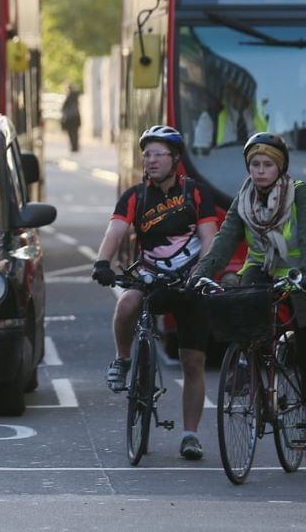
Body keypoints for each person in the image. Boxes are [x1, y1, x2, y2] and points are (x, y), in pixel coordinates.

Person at [91, 125, 218, 460]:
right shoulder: (135, 196)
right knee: (127, 303)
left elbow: (209, 238)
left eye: (158, 154)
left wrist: (202, 273)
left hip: (189, 282)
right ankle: (122, 359)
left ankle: (190, 435)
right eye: (146, 154)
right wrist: (102, 262)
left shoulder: (196, 193)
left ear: (175, 159)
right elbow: (115, 230)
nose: (150, 160)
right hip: (151, 277)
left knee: (193, 362)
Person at [189, 133, 306, 366]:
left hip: (297, 272)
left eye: (268, 165)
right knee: (242, 318)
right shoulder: (243, 199)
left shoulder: (299, 193)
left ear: (280, 167)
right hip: (259, 269)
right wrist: (201, 274)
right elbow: (225, 240)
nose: (260, 171)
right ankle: (244, 368)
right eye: (255, 164)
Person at [60, 85, 81, 153]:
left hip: (71, 119)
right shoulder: (74, 98)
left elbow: (63, 109)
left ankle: (74, 146)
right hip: (74, 119)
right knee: (74, 134)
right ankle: (74, 146)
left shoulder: (71, 97)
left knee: (73, 134)